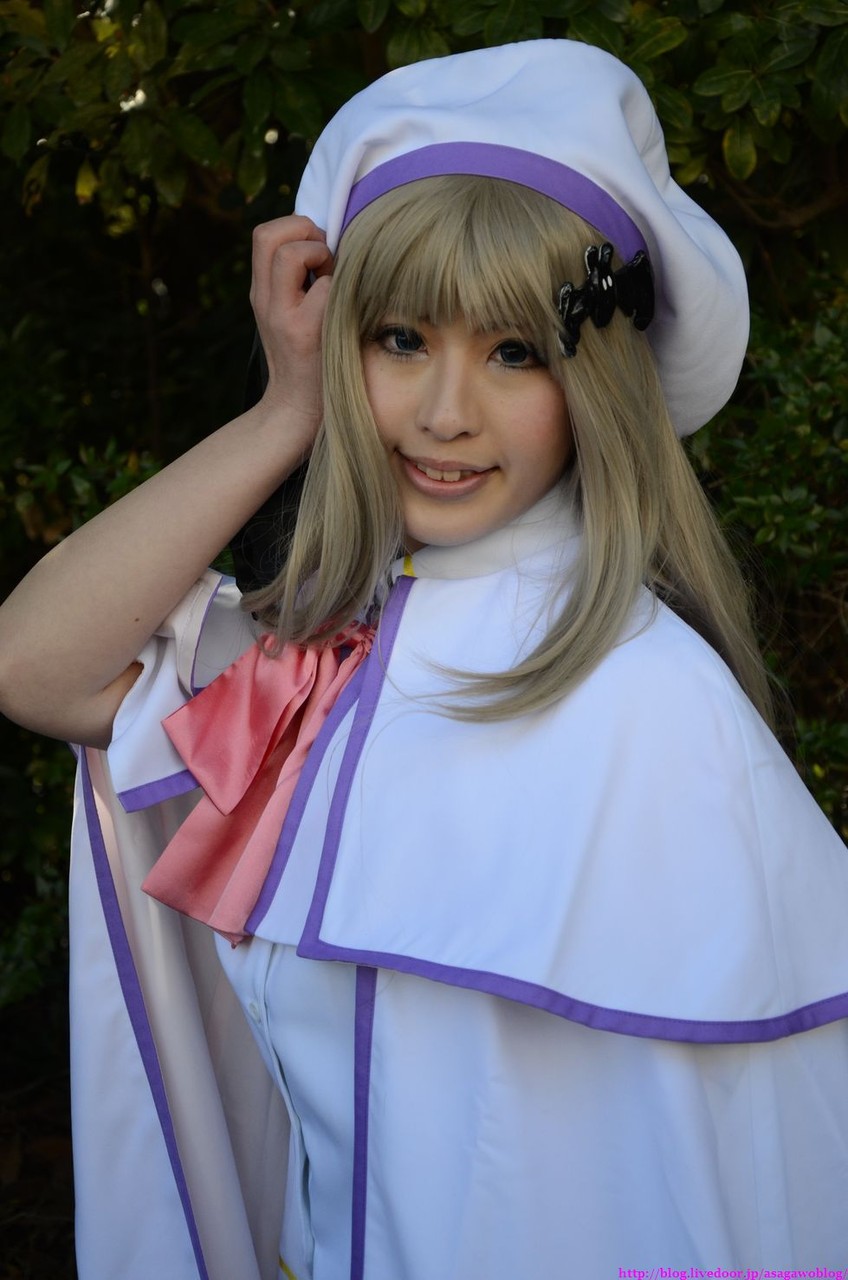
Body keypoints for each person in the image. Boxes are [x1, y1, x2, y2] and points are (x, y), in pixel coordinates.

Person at [1, 38, 847, 1280]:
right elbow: (34, 663)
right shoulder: (314, 676)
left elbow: (727, 1191)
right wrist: (288, 410)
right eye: (399, 338)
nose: (444, 412)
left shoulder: (661, 714)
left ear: (596, 383)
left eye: (513, 352)